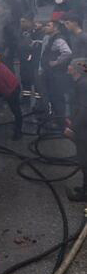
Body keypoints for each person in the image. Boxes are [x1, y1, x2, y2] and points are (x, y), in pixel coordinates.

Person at [40, 20, 73, 128]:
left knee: (57, 98)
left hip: (56, 75)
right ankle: (55, 120)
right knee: (52, 97)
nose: (46, 27)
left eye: (49, 25)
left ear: (56, 28)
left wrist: (56, 62)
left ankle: (61, 123)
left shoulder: (59, 39)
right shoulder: (50, 38)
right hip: (50, 74)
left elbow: (67, 53)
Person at [65, 58, 87, 202]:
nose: (68, 67)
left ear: (76, 70)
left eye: (71, 65)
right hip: (82, 126)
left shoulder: (83, 85)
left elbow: (84, 109)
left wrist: (72, 127)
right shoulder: (81, 82)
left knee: (85, 161)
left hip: (84, 130)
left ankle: (84, 195)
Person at [20, 17, 44, 110]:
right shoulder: (26, 32)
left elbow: (37, 46)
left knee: (37, 82)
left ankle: (39, 103)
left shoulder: (41, 33)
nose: (22, 23)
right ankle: (26, 98)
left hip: (35, 61)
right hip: (25, 60)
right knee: (25, 79)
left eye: (24, 21)